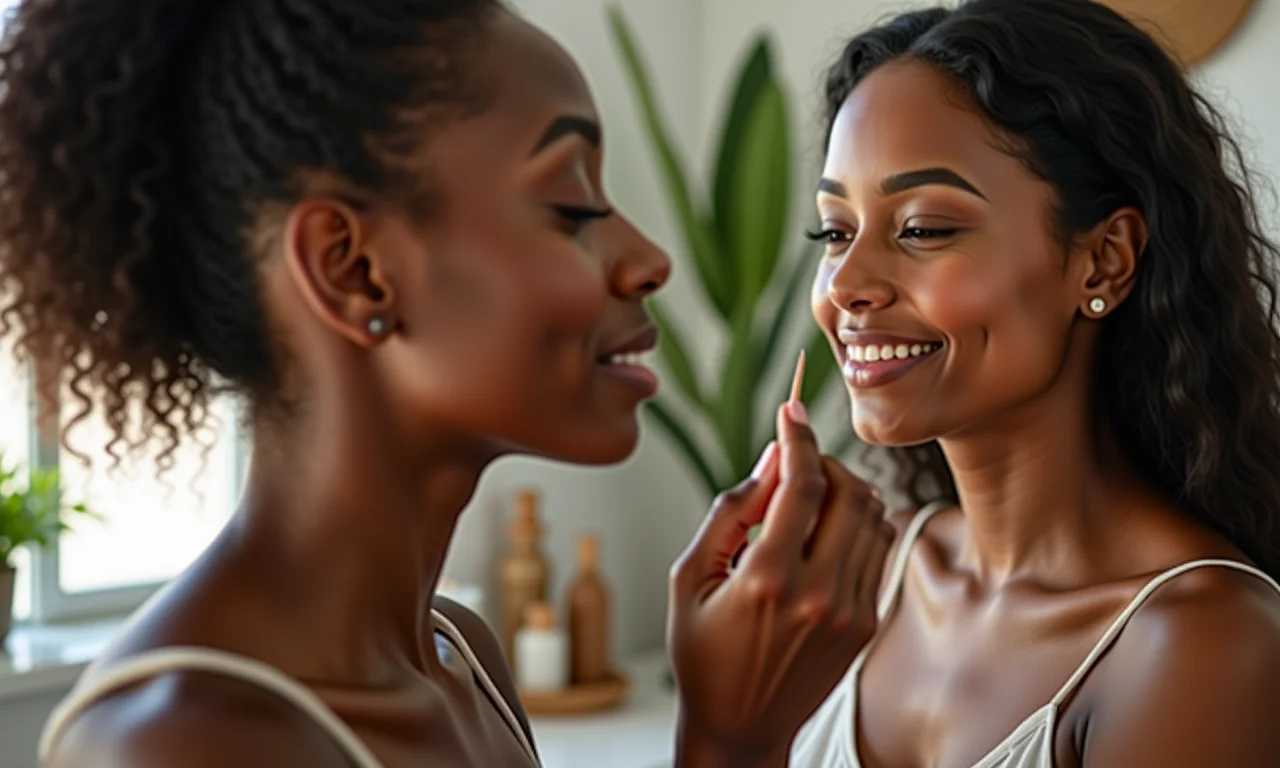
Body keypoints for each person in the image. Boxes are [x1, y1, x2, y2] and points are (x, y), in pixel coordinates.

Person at [0, 1, 890, 766]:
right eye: (572, 206)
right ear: (354, 271)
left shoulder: (462, 659)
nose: (647, 260)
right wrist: (730, 745)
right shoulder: (181, 742)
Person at [790, 0, 1280, 766]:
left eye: (922, 229)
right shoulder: (870, 578)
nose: (846, 284)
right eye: (835, 231)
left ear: (1103, 261)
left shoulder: (1200, 643)